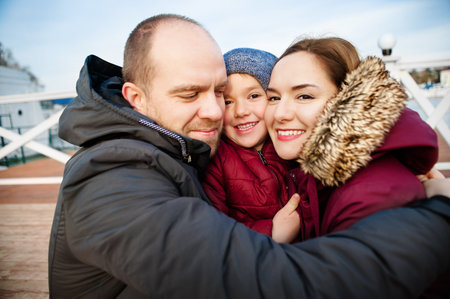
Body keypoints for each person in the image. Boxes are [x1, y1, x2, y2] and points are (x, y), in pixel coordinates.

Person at [48, 14, 450, 298]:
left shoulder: (178, 148)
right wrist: (439, 214)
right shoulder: (111, 180)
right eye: (190, 93)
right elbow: (273, 283)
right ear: (136, 98)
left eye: (218, 91)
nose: (216, 111)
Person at [265, 37, 440, 239]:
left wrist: (276, 245)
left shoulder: (370, 198)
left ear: (347, 101)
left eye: (304, 96)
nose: (279, 114)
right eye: (274, 98)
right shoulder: (315, 176)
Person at [201, 48, 300, 243]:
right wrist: (272, 232)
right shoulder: (215, 161)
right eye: (228, 101)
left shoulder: (294, 144)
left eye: (253, 96)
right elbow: (214, 232)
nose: (240, 111)